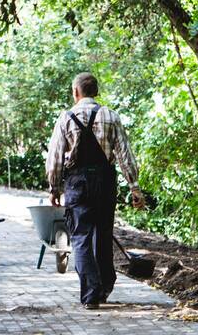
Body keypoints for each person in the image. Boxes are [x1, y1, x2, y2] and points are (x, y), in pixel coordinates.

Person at [46, 72, 145, 309]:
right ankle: (104, 287)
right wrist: (134, 187)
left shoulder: (66, 118)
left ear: (75, 92)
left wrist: (54, 188)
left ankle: (90, 295)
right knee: (102, 236)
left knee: (80, 238)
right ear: (96, 92)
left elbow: (55, 158)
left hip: (77, 184)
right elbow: (125, 155)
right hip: (105, 183)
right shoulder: (111, 116)